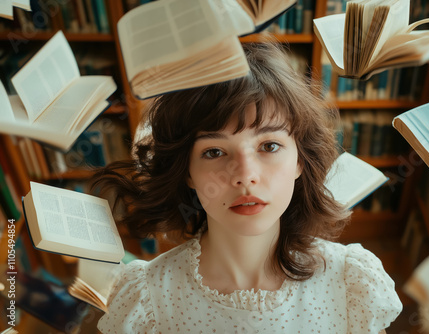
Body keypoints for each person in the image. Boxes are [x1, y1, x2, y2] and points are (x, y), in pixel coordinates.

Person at [94, 42, 402, 333]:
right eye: (214, 152)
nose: (245, 176)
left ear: (300, 161)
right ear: (187, 172)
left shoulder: (351, 282)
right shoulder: (147, 299)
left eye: (269, 145)